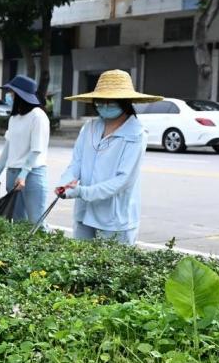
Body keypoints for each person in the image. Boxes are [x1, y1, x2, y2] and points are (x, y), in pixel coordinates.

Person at [54, 69, 161, 245]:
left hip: (114, 218)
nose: (104, 106)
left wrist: (82, 192)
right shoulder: (89, 128)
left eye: (110, 102)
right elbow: (76, 163)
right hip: (84, 212)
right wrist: (64, 183)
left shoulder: (136, 134)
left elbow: (123, 180)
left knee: (112, 261)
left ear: (125, 102)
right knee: (79, 258)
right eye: (100, 101)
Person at [0, 75, 51, 227]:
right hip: (12, 173)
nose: (8, 96)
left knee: (36, 223)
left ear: (20, 95)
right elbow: (7, 149)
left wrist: (23, 174)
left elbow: (37, 149)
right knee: (17, 222)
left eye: (11, 93)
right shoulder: (14, 118)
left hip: (32, 174)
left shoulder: (38, 116)